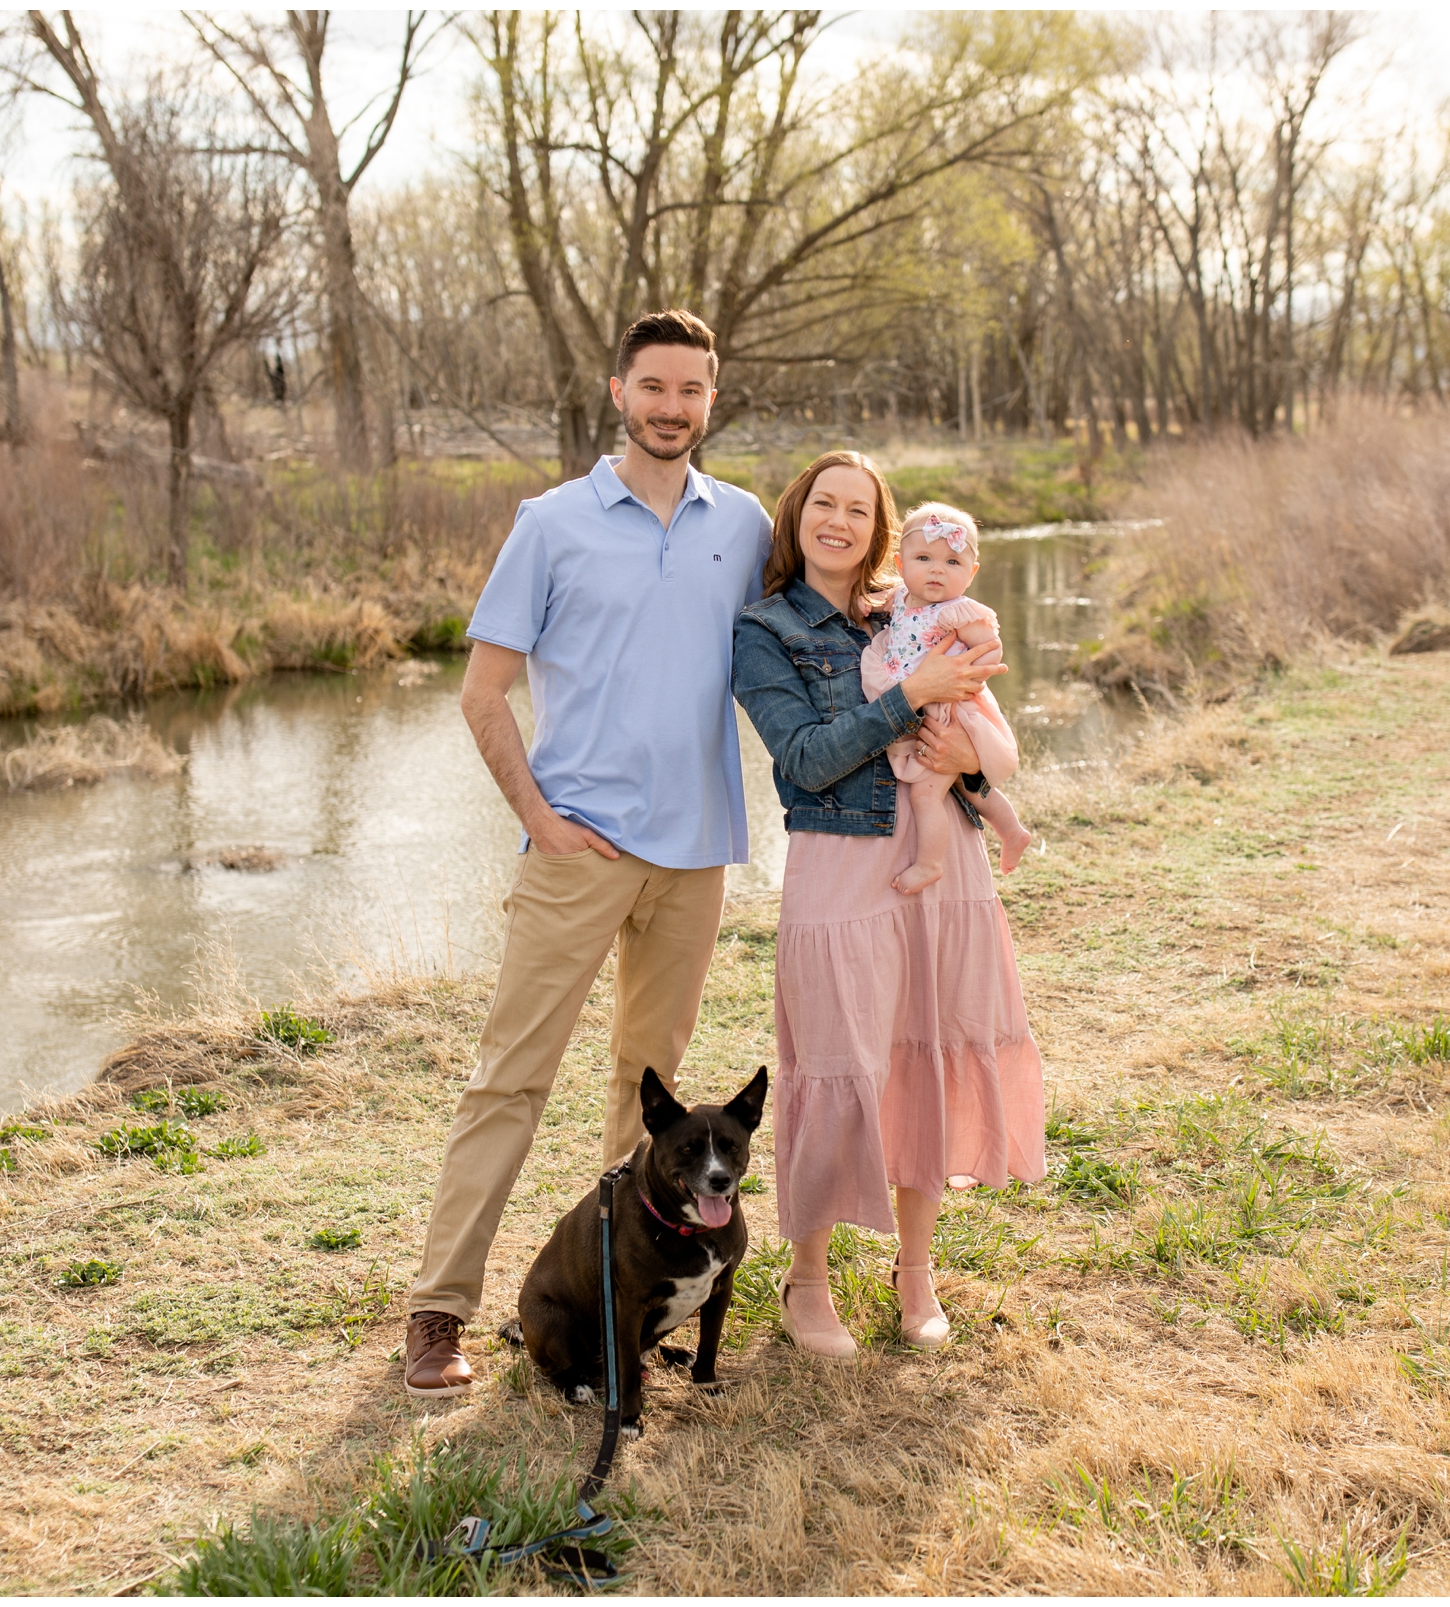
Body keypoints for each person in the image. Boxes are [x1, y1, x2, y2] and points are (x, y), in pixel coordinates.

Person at [400, 309, 774, 1398]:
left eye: (692, 391)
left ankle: (626, 1305)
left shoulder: (742, 523)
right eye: (653, 387)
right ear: (619, 390)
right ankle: (438, 1311)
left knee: (646, 1102)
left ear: (712, 397)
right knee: (510, 1079)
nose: (672, 408)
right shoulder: (553, 522)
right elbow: (483, 692)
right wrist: (543, 816)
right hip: (578, 852)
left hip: (696, 856)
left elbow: (812, 631)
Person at [731, 452, 1047, 1357]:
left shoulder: (913, 604)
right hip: (840, 856)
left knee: (928, 1051)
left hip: (942, 862)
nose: (840, 521)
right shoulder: (765, 628)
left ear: (882, 528)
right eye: (823, 504)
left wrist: (967, 758)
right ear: (796, 517)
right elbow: (804, 757)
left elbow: (990, 736)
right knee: (837, 1060)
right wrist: (912, 698)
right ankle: (808, 1279)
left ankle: (917, 1274)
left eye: (859, 510)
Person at [859, 501, 1037, 895]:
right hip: (916, 699)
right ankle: (1011, 830)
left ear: (971, 574)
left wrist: (971, 672)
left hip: (947, 710)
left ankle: (929, 864)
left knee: (926, 793)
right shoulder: (902, 597)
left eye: (953, 562)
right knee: (961, 781)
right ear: (900, 563)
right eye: (924, 558)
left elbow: (990, 651)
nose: (937, 570)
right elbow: (875, 606)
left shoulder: (957, 612)